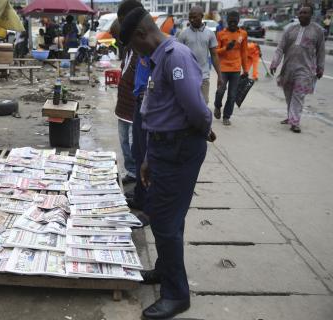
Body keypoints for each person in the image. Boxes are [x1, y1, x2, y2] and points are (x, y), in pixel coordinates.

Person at [120, 7, 215, 320]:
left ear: (141, 35)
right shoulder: (159, 57)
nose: (135, 52)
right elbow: (157, 110)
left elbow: (195, 106)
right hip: (162, 149)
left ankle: (176, 294)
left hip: (179, 149)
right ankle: (164, 271)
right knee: (168, 218)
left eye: (133, 46)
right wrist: (148, 157)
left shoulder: (175, 56)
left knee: (164, 222)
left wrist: (204, 130)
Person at [270, 4, 325, 133]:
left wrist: (320, 67)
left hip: (305, 70)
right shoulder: (290, 29)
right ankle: (291, 117)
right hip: (288, 68)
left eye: (305, 13)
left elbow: (321, 51)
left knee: (298, 95)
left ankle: (295, 122)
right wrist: (274, 63)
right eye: (300, 13)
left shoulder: (317, 31)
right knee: (289, 95)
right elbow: (280, 48)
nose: (302, 15)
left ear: (311, 15)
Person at [117, 0, 148, 211]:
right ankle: (140, 197)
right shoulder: (133, 45)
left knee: (142, 153)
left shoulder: (158, 51)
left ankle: (147, 205)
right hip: (135, 103)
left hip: (143, 107)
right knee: (136, 151)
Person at [177, 6, 223, 105]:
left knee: (203, 103)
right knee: (189, 104)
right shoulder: (183, 34)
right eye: (190, 17)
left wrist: (219, 75)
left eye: (194, 17)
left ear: (202, 16)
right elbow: (177, 55)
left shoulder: (210, 33)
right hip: (187, 76)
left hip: (204, 76)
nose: (192, 19)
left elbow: (214, 55)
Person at [110, 19, 137, 185]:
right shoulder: (127, 50)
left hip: (134, 105)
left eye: (117, 37)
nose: (115, 41)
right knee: (124, 141)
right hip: (123, 105)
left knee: (134, 143)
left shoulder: (140, 50)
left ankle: (136, 172)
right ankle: (131, 171)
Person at [213, 11, 249, 126]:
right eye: (230, 21)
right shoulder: (220, 34)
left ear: (238, 21)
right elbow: (215, 52)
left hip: (236, 69)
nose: (233, 23)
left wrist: (246, 69)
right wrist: (225, 48)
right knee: (220, 91)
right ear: (227, 21)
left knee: (232, 95)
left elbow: (244, 52)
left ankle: (227, 116)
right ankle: (217, 106)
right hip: (223, 68)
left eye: (235, 21)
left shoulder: (243, 34)